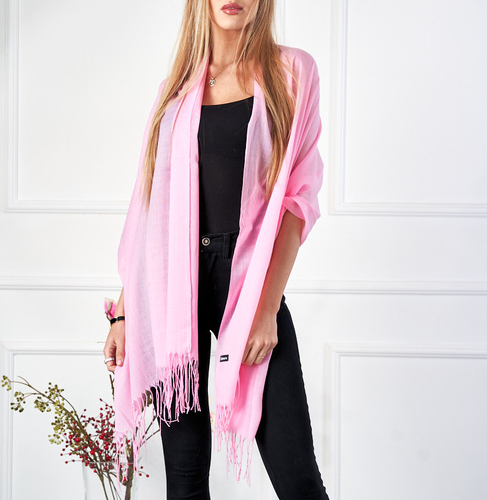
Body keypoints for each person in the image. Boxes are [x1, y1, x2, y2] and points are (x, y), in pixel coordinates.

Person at [103, 1, 329, 498]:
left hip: (247, 283)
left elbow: (298, 199)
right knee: (184, 480)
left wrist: (266, 309)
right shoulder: (175, 90)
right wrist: (123, 312)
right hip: (172, 290)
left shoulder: (292, 72)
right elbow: (148, 209)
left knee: (297, 476)